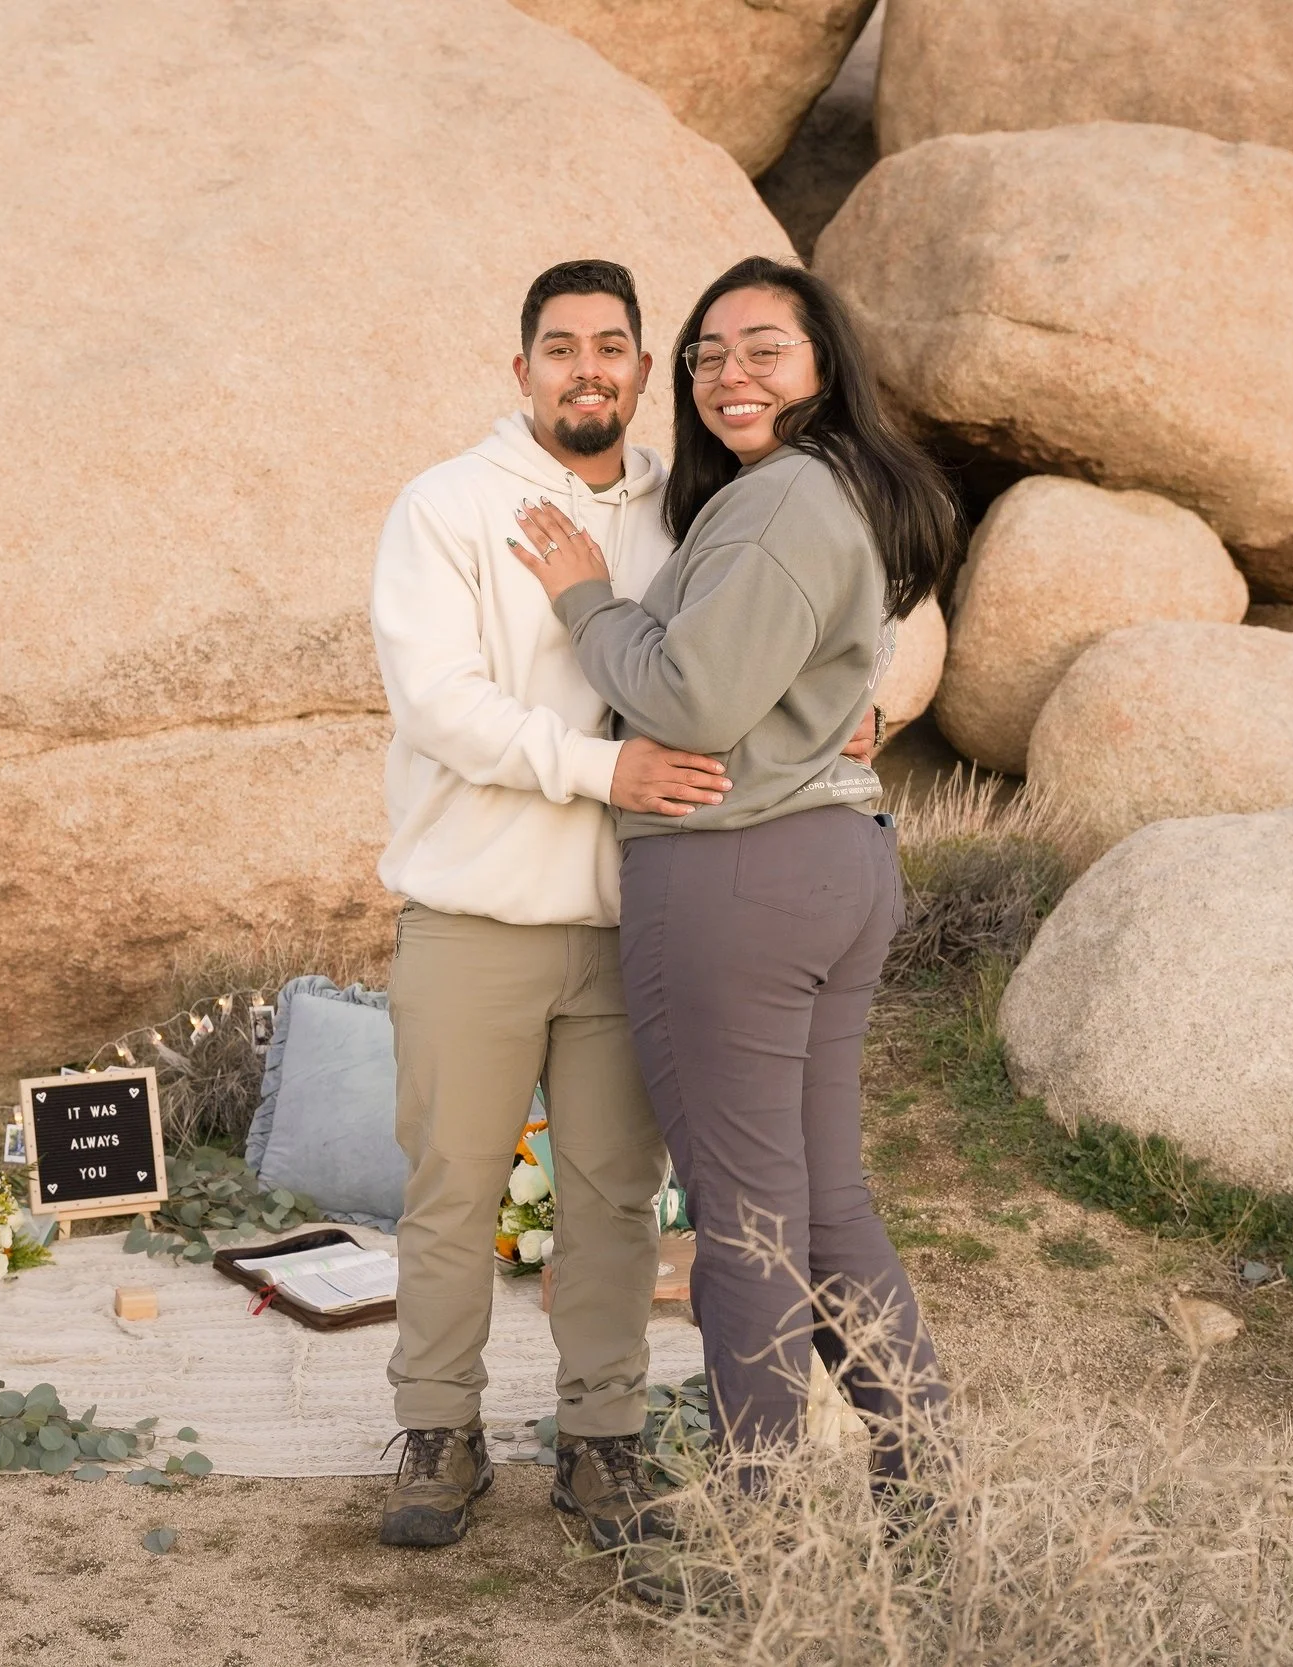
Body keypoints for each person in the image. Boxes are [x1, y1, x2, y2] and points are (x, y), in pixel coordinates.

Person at [508, 256, 965, 1486]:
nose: (728, 374)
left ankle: (754, 1515)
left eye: (763, 347)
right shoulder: (831, 495)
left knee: (749, 1224)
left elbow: (694, 699)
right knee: (822, 1205)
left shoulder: (778, 500)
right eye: (707, 355)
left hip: (736, 878)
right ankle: (923, 1480)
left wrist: (588, 602)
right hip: (834, 863)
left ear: (825, 364)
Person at [366, 259, 729, 1552]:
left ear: (641, 370)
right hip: (474, 917)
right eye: (561, 346)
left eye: (612, 346)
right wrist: (605, 766)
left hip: (634, 923)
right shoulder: (446, 507)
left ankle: (601, 1443)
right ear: (518, 368)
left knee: (615, 1199)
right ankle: (438, 1433)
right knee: (453, 1189)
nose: (588, 367)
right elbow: (443, 707)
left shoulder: (684, 518)